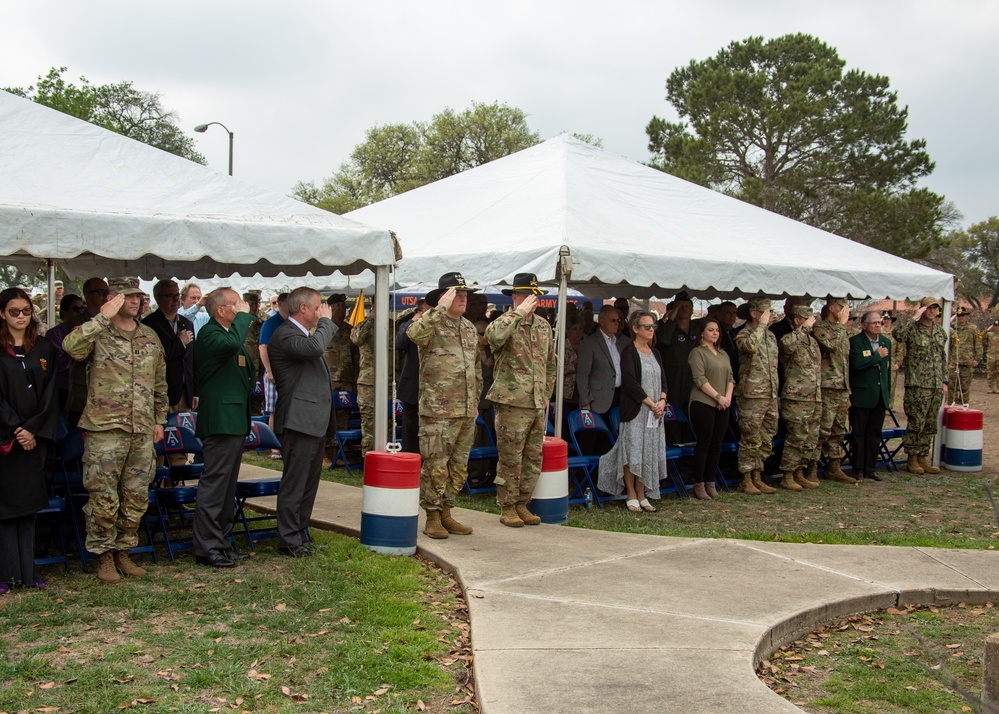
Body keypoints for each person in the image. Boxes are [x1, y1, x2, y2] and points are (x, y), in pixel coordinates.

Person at [63, 277, 167, 584]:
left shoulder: (149, 336)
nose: (135, 301)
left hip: (141, 428)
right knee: (103, 496)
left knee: (135, 495)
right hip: (105, 428)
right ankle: (103, 556)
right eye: (128, 296)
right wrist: (101, 318)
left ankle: (124, 551)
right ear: (113, 298)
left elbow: (159, 382)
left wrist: (160, 419)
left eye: (138, 297)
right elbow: (70, 347)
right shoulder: (99, 331)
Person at [407, 274, 481, 538]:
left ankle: (447, 512)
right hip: (438, 411)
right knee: (436, 467)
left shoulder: (469, 328)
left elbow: (476, 369)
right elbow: (413, 334)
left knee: (459, 467)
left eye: (465, 295)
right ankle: (432, 517)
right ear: (443, 297)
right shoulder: (430, 324)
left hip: (465, 410)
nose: (463, 299)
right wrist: (437, 309)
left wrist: (475, 402)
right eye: (457, 294)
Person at [267, 287, 336, 557]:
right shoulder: (285, 334)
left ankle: (300, 533)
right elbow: (316, 347)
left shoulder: (302, 333)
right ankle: (289, 539)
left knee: (309, 482)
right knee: (295, 482)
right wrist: (328, 323)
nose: (321, 311)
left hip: (312, 420)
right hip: (297, 420)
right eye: (318, 306)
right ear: (303, 308)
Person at [191, 288, 257, 568]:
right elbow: (230, 348)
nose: (241, 307)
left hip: (233, 418)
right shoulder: (210, 333)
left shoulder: (229, 334)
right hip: (220, 419)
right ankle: (207, 546)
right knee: (215, 486)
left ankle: (222, 541)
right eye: (235, 304)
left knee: (227, 487)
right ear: (220, 310)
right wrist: (244, 318)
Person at [485, 273, 556, 528]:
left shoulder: (543, 326)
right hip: (512, 402)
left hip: (536, 402)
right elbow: (493, 338)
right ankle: (507, 505)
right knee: (511, 457)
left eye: (534, 297)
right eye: (526, 296)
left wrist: (546, 393)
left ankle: (522, 503)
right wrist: (517, 314)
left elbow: (550, 363)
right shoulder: (504, 322)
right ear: (514, 297)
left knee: (532, 457)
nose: (531, 301)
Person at [0, 288, 59, 593]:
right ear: (2, 314)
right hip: (7, 442)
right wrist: (16, 429)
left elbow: (51, 394)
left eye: (25, 311)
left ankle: (29, 572)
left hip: (36, 439)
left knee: (30, 508)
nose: (21, 316)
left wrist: (33, 429)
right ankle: (7, 574)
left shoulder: (44, 348)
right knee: (6, 510)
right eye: (14, 311)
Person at [597, 310, 668, 510]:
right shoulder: (629, 351)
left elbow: (664, 381)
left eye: (653, 326)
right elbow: (630, 383)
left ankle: (642, 492)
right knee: (632, 453)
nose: (651, 330)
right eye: (647, 326)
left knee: (648, 452)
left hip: (655, 413)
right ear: (636, 329)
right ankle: (631, 493)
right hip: (637, 410)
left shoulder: (656, 353)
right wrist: (650, 403)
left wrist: (662, 400)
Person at [893, 297, 948, 475]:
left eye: (935, 308)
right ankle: (913, 457)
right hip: (917, 384)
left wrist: (944, 381)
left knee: (930, 423)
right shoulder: (913, 329)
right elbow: (898, 334)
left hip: (935, 384)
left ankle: (923, 456)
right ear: (922, 309)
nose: (932, 311)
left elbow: (942, 358)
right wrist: (913, 317)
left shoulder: (940, 332)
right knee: (917, 422)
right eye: (928, 308)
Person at [734, 298, 780, 495]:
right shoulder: (744, 333)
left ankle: (757, 475)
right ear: (754, 313)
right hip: (751, 394)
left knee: (766, 436)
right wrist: (761, 326)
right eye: (765, 311)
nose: (769, 315)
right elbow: (750, 347)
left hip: (769, 393)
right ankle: (745, 478)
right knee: (750, 437)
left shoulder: (770, 336)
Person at [687, 317, 735, 500]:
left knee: (717, 445)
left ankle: (711, 482)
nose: (715, 333)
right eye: (710, 330)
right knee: (704, 443)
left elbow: (731, 377)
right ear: (702, 333)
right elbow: (700, 379)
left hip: (723, 404)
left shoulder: (723, 353)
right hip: (704, 403)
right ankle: (698, 484)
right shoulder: (697, 353)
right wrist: (717, 397)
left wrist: (727, 398)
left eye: (717, 330)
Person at [810, 297, 857, 484]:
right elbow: (830, 346)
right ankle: (811, 468)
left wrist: (848, 390)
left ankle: (834, 467)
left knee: (838, 430)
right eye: (842, 306)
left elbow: (844, 361)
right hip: (827, 386)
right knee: (822, 430)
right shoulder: (820, 327)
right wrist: (842, 326)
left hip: (841, 387)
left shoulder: (841, 330)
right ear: (832, 307)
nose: (845, 310)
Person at [777, 305, 822, 491]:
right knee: (796, 437)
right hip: (796, 397)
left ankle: (799, 472)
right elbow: (786, 347)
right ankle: (787, 474)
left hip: (814, 396)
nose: (812, 322)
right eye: (808, 318)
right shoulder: (790, 338)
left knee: (810, 438)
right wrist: (802, 329)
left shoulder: (812, 342)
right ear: (797, 320)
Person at [143, 279, 198, 415]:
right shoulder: (149, 325)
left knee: (186, 434)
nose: (175, 300)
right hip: (162, 395)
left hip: (186, 394)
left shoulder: (186, 323)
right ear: (158, 298)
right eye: (169, 296)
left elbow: (192, 359)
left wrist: (195, 391)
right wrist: (179, 343)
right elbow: (154, 359)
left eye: (177, 296)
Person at [849, 311, 892, 481]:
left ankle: (871, 467)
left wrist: (887, 394)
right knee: (859, 434)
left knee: (875, 433)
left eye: (879, 323)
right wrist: (876, 356)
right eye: (874, 323)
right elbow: (856, 364)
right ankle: (858, 468)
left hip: (879, 396)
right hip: (862, 395)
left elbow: (886, 372)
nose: (877, 325)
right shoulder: (855, 342)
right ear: (864, 325)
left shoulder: (886, 342)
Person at [655, 290, 696, 443]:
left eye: (687, 306)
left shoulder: (697, 328)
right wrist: (670, 320)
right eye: (680, 306)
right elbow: (661, 342)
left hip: (692, 380)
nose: (684, 309)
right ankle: (672, 457)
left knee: (691, 417)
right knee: (673, 418)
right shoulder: (668, 329)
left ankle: (687, 459)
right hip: (673, 379)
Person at [576, 306, 628, 422]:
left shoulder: (620, 343)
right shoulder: (590, 343)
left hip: (618, 398)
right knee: (594, 438)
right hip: (596, 401)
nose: (617, 324)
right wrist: (586, 402)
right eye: (613, 320)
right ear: (602, 322)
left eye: (618, 320)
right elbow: (582, 376)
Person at [258, 292, 288, 460]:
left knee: (288, 410)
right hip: (274, 373)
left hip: (289, 372)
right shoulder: (271, 323)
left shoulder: (292, 322)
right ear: (281, 304)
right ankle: (274, 446)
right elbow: (263, 347)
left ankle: (286, 444)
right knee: (274, 410)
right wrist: (269, 370)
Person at [396, 299, 428, 454]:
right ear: (419, 312)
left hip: (432, 390)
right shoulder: (410, 325)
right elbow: (399, 343)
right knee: (411, 432)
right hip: (412, 389)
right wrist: (412, 321)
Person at [45, 293, 86, 411]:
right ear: (63, 311)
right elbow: (57, 362)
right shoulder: (54, 334)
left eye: (83, 308)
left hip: (84, 387)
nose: (80, 312)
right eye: (76, 309)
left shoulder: (87, 332)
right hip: (63, 387)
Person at [948, 306, 982, 403]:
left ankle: (964, 407)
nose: (960, 318)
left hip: (967, 362)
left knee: (965, 387)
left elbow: (978, 344)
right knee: (952, 387)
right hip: (953, 362)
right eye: (958, 316)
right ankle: (951, 407)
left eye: (962, 316)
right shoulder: (952, 328)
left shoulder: (973, 328)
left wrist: (977, 359)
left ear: (966, 316)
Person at [881, 311, 904, 410]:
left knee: (891, 384)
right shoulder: (878, 331)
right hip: (880, 359)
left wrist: (898, 363)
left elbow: (900, 349)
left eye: (888, 319)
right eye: (885, 319)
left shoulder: (895, 332)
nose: (886, 321)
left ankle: (889, 406)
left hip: (892, 360)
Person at [985, 319, 999, 393]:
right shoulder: (990, 334)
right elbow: (980, 336)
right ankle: (991, 387)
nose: (997, 328)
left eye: (998, 326)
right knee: (990, 373)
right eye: (995, 326)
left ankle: (998, 388)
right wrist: (988, 329)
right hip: (991, 356)